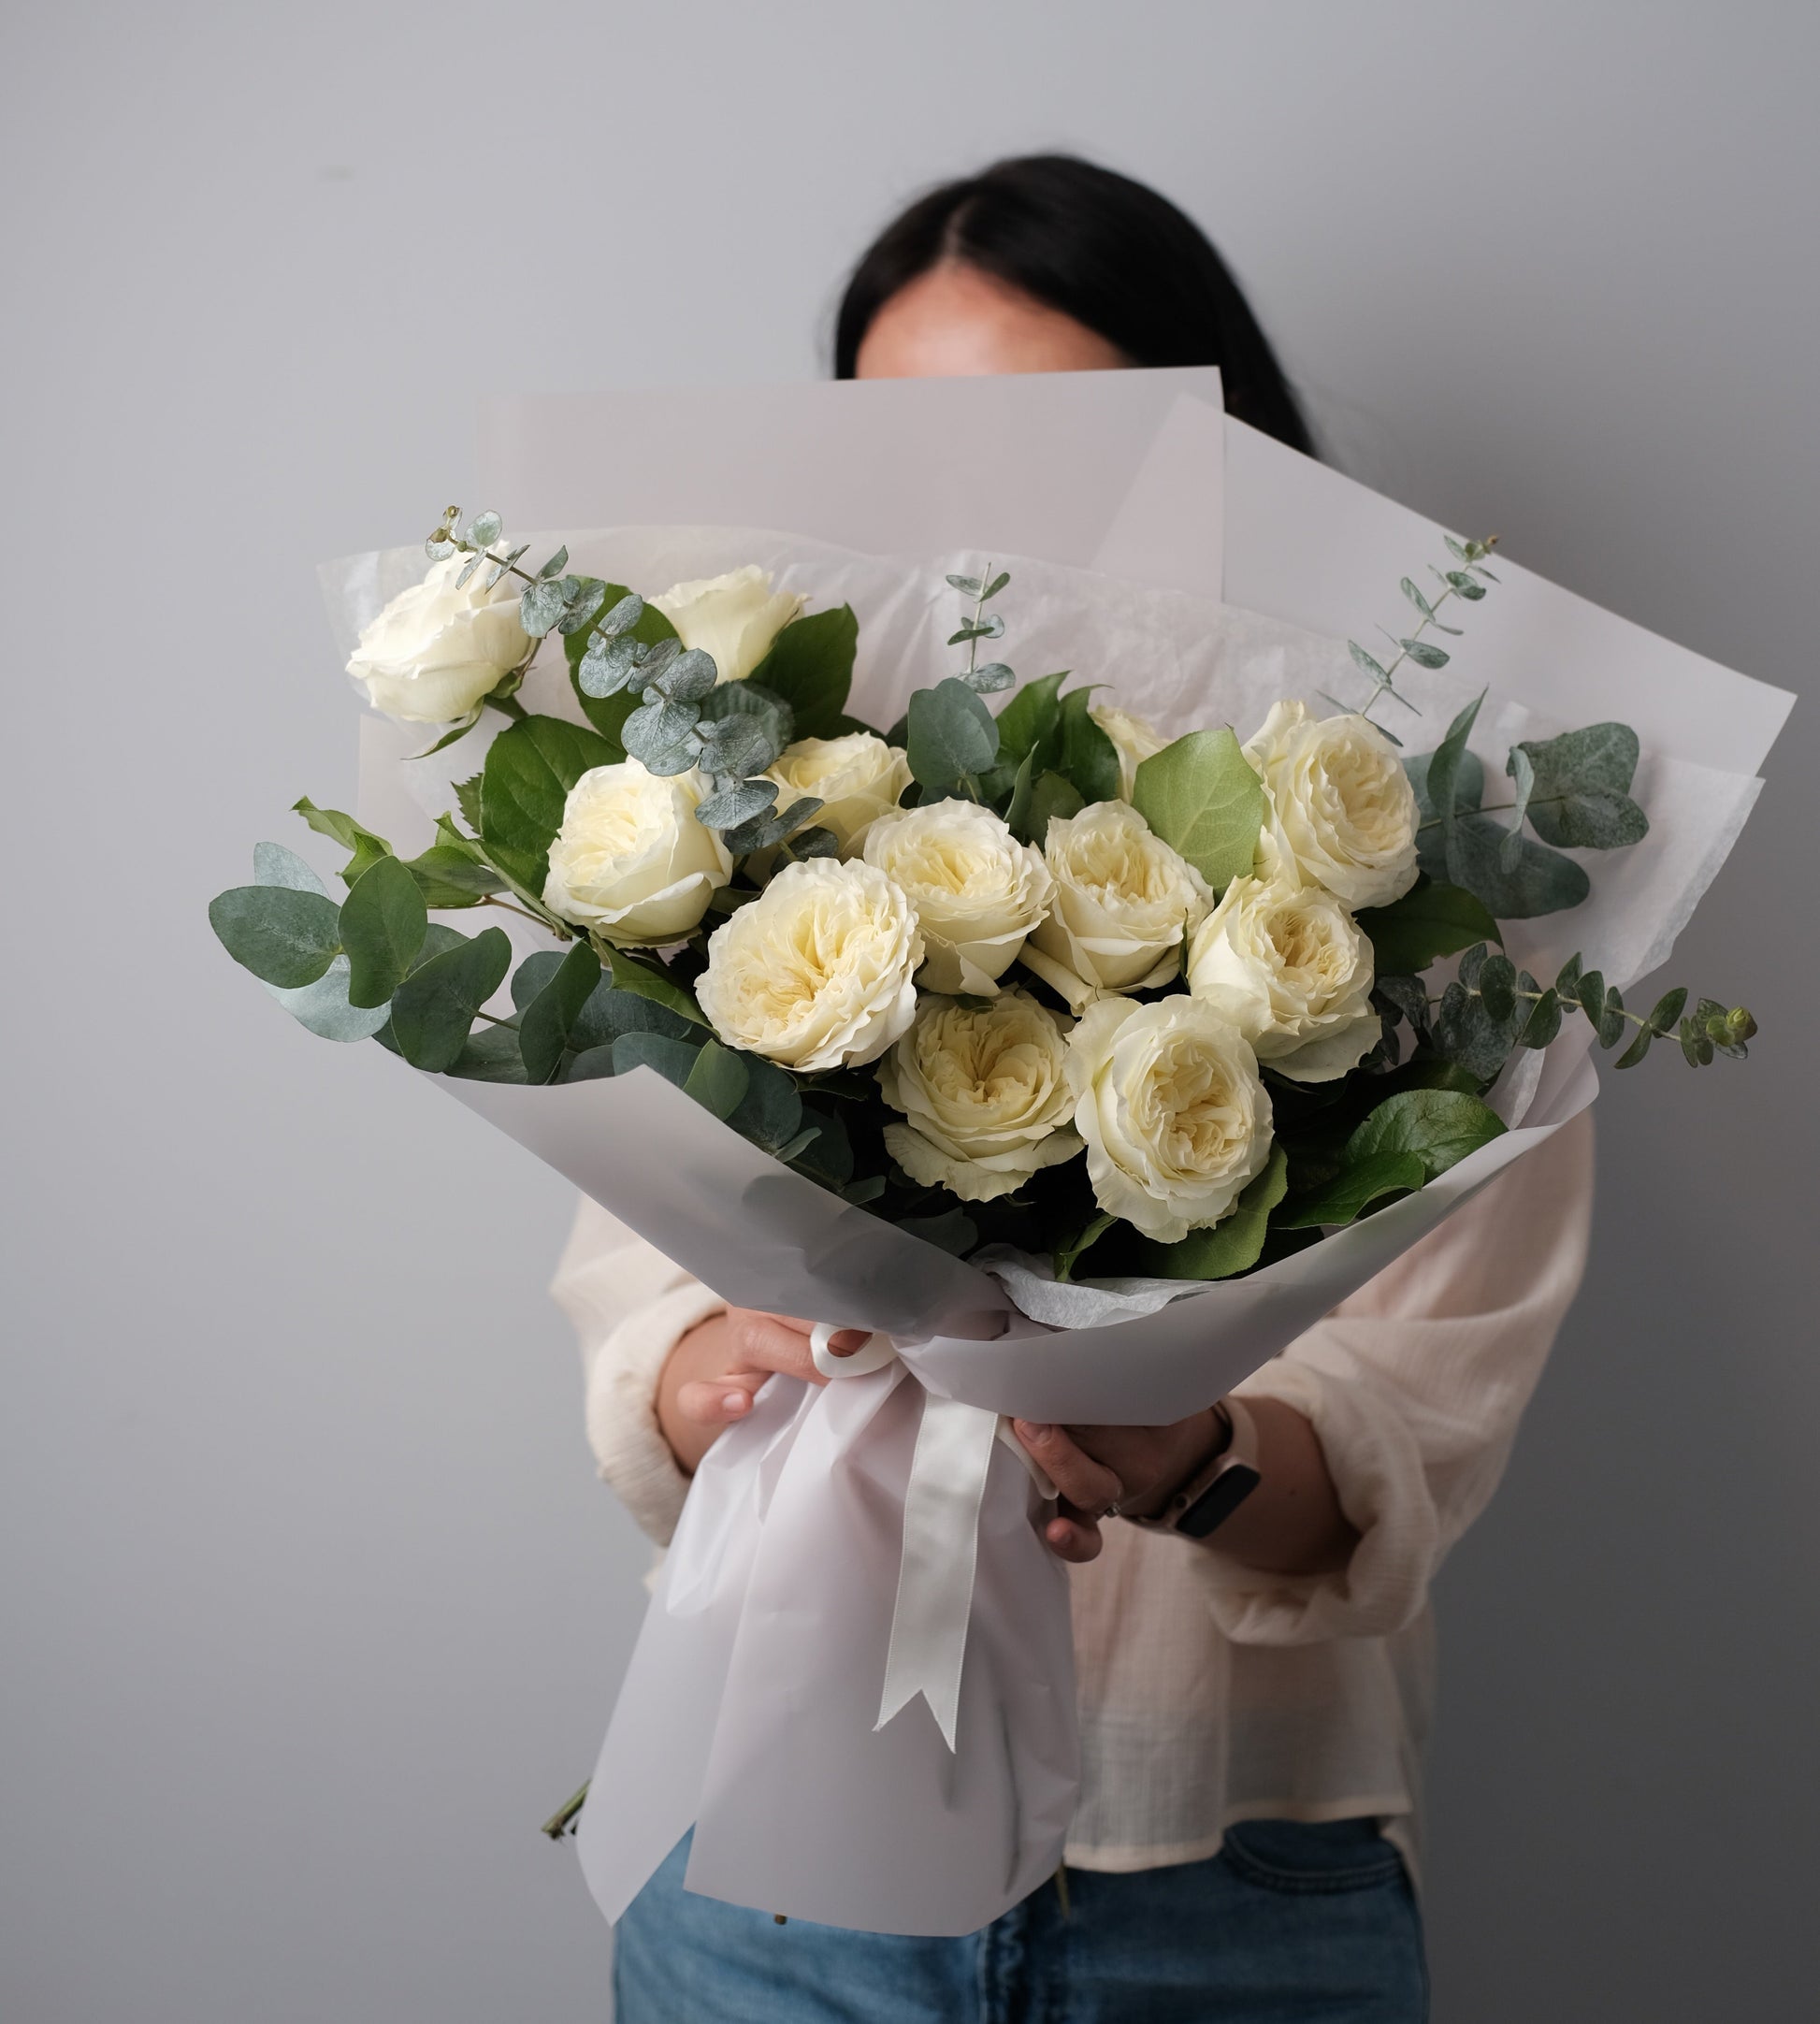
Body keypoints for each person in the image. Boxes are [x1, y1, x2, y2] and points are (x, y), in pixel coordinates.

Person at [553, 153, 1594, 2024]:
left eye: (1045, 449)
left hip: (1236, 1879)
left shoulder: (1421, 887)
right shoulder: (755, 847)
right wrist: (715, 1373)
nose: (968, 531)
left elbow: (1412, 1423)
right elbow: (634, 1297)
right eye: (895, 460)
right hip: (771, 1845)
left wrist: (1175, 1456)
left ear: (1213, 456)